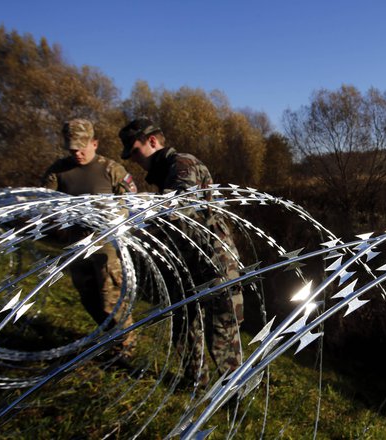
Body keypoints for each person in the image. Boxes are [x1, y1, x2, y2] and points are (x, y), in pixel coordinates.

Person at [118, 117, 244, 387]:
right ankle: (196, 381)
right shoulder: (164, 172)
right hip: (185, 260)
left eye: (136, 151)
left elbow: (179, 203)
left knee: (221, 331)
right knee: (183, 325)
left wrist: (138, 215)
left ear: (152, 141)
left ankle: (233, 395)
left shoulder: (183, 164)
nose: (134, 160)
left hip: (214, 259)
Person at [42, 118, 138, 360]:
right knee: (88, 297)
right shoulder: (58, 172)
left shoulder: (111, 170)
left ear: (94, 143)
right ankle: (109, 337)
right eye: (72, 149)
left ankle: (125, 345)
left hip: (107, 245)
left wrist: (112, 219)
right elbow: (44, 204)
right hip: (75, 244)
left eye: (82, 148)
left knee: (111, 299)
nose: (78, 153)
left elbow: (132, 202)